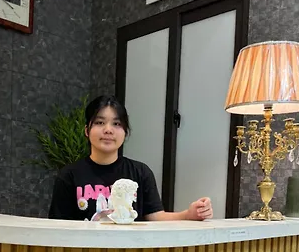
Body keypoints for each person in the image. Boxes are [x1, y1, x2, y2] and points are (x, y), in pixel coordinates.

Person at [48, 95, 213, 222]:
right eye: (99, 122)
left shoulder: (140, 172)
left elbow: (155, 217)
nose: (108, 130)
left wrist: (189, 214)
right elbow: (59, 226)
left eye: (116, 124)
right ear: (87, 130)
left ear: (125, 132)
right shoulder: (69, 175)